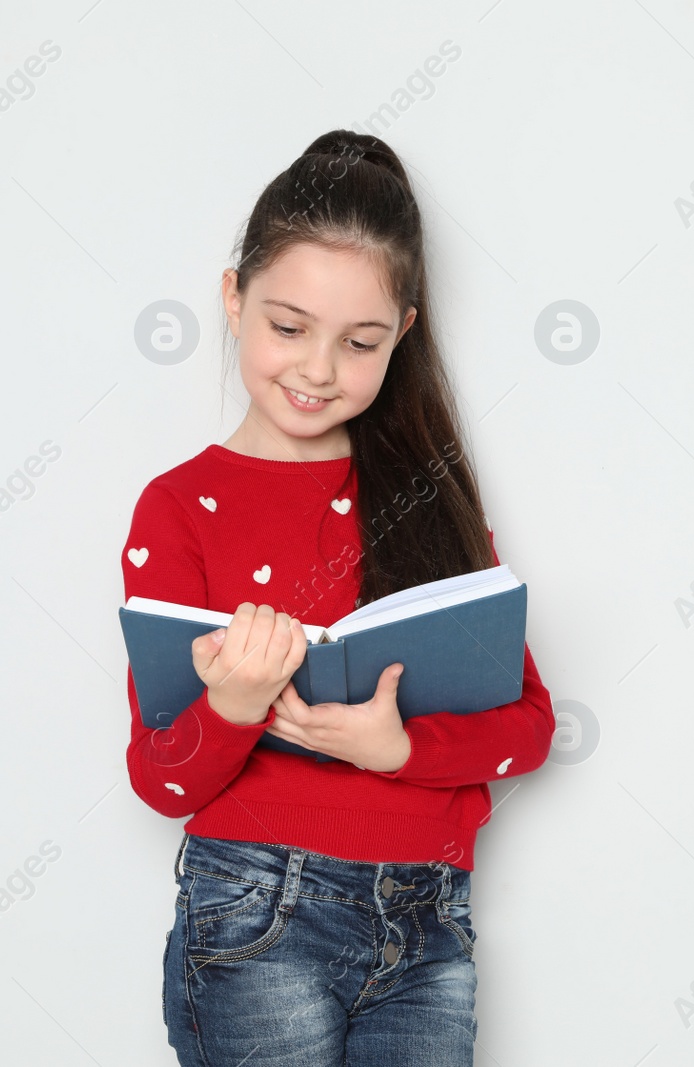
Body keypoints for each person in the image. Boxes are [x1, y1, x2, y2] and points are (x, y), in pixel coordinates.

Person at [120, 128, 555, 1067]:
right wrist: (234, 703)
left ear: (400, 335)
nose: (317, 370)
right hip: (256, 908)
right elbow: (159, 780)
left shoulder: (432, 503)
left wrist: (400, 748)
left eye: (358, 343)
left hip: (430, 919)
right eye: (288, 327)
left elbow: (530, 726)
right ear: (233, 300)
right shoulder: (178, 508)